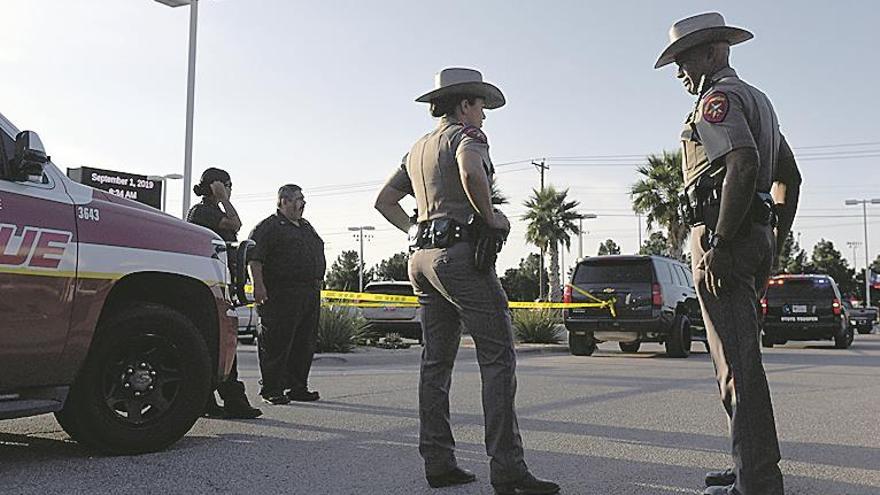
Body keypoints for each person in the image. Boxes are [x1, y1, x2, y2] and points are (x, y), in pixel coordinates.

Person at [375, 68, 559, 495]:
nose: (484, 116)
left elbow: (384, 200)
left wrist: (413, 229)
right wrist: (491, 218)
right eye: (480, 106)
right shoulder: (466, 137)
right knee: (497, 359)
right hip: (459, 258)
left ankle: (438, 462)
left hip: (420, 259)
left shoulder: (417, 148)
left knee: (435, 364)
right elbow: (473, 175)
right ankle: (508, 468)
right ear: (463, 105)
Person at [654, 13, 802, 495]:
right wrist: (774, 239)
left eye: (685, 58)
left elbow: (743, 161)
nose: (679, 71)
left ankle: (756, 481)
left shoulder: (716, 101)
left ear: (716, 50)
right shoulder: (760, 100)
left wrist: (718, 241)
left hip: (726, 240)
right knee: (738, 359)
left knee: (737, 365)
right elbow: (790, 179)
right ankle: (749, 463)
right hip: (751, 237)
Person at [186, 167, 263, 420]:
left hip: (217, 282)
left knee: (213, 340)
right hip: (208, 284)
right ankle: (233, 399)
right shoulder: (203, 211)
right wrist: (225, 198)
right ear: (216, 186)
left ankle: (206, 400)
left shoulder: (212, 211)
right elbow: (236, 223)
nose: (230, 189)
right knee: (221, 339)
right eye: (227, 185)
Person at [248, 184, 325, 405]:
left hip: (308, 292)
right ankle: (272, 388)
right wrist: (258, 286)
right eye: (298, 199)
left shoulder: (306, 226)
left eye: (303, 199)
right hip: (280, 292)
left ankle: (297, 386)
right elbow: (254, 259)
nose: (302, 204)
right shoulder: (268, 227)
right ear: (283, 201)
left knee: (304, 342)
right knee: (276, 342)